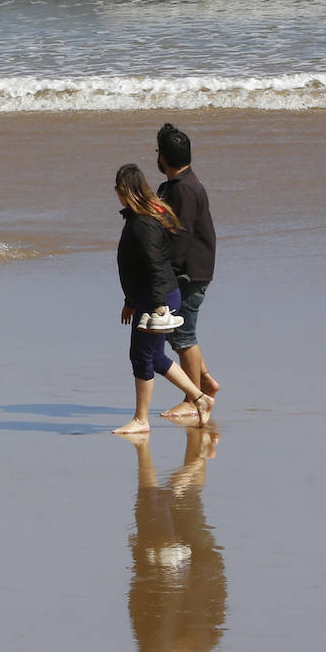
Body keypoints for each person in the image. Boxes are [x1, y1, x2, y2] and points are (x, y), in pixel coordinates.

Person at [112, 164, 214, 434]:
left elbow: (155, 264)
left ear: (124, 191)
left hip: (157, 298)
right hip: (153, 296)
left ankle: (141, 420)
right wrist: (130, 301)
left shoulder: (143, 223)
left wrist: (158, 306)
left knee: (142, 356)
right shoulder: (142, 217)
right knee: (154, 357)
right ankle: (201, 399)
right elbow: (141, 266)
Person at [154, 123, 219, 419]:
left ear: (163, 158)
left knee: (182, 336)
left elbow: (181, 236)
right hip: (192, 270)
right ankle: (205, 383)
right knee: (179, 334)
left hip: (188, 273)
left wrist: (168, 274)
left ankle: (193, 398)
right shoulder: (178, 185)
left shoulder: (184, 189)